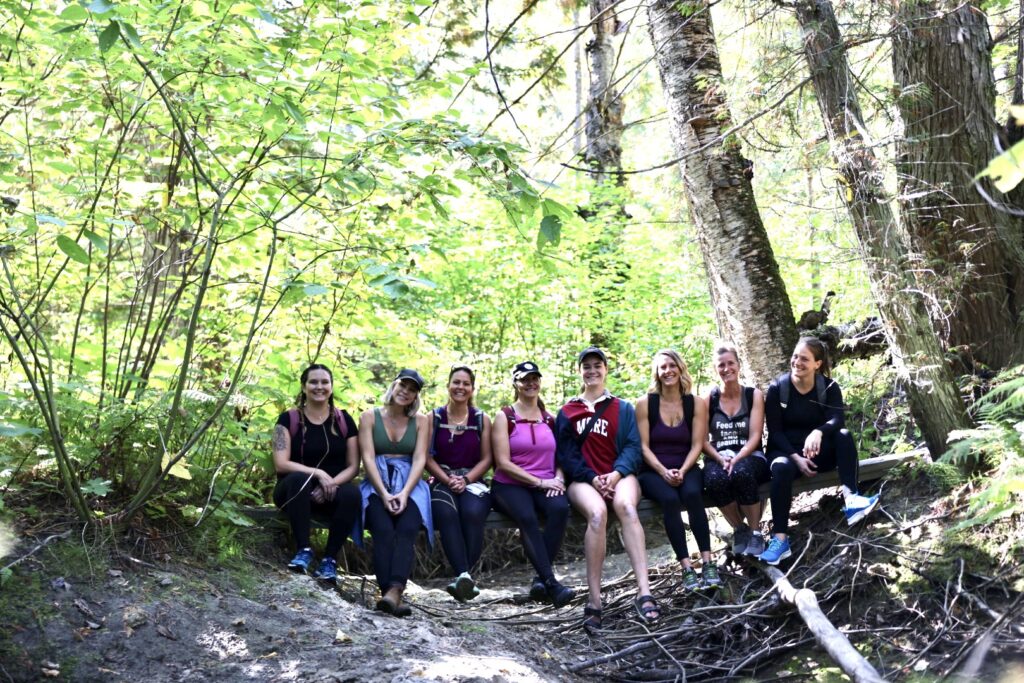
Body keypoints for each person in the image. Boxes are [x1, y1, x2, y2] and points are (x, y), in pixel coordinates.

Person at [556, 346, 659, 630]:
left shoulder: (622, 408)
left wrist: (615, 474)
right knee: (597, 514)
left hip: (619, 474)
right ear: (579, 371)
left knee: (626, 507)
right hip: (583, 480)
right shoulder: (567, 411)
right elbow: (567, 455)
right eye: (586, 366)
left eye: (597, 365)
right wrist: (592, 478)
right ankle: (594, 600)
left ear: (605, 369)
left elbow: (633, 446)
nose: (592, 371)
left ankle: (644, 592)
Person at [759, 337, 881, 565]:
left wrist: (818, 432)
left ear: (817, 363)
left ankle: (852, 500)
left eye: (804, 359)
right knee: (781, 468)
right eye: (795, 356)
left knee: (843, 436)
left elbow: (837, 419)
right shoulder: (778, 389)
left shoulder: (829, 387)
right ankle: (780, 539)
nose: (797, 362)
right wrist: (796, 458)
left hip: (817, 453)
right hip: (787, 453)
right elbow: (775, 432)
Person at [490, 361, 574, 608]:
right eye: (524, 379)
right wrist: (539, 482)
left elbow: (561, 456)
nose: (530, 383)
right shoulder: (505, 416)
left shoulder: (550, 418)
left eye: (534, 378)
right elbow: (503, 463)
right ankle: (552, 584)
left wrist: (559, 478)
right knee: (527, 517)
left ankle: (540, 580)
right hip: (510, 484)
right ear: (515, 383)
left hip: (546, 481)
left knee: (560, 509)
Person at [636, 349, 719, 591]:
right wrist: (663, 471)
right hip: (653, 470)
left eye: (672, 365)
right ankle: (686, 567)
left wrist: (682, 469)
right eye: (663, 367)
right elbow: (642, 446)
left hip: (687, 465)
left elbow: (697, 444)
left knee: (692, 494)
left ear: (681, 368)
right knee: (670, 499)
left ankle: (708, 562)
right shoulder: (645, 404)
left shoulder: (695, 403)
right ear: (657, 373)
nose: (668, 371)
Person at [271, 364, 361, 584]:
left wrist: (330, 484)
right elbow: (281, 464)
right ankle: (303, 550)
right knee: (299, 480)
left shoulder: (344, 420)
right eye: (313, 382)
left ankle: (329, 560)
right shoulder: (287, 419)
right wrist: (318, 474)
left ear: (331, 387)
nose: (319, 387)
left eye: (324, 382)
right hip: (293, 492)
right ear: (304, 387)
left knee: (352, 494)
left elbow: (353, 466)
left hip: (330, 492)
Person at [358, 369, 433, 617]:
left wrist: (404, 493)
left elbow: (420, 458)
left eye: (412, 390)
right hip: (376, 482)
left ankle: (393, 592)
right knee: (382, 529)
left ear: (415, 396)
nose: (405, 392)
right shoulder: (369, 417)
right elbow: (368, 457)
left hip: (410, 484)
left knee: (407, 529)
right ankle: (391, 594)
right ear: (394, 385)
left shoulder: (421, 421)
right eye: (403, 386)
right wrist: (383, 493)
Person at [425, 365, 493, 602]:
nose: (460, 387)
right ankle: (464, 576)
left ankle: (464, 577)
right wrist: (448, 480)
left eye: (466, 383)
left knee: (473, 512)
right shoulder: (433, 418)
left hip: (472, 481)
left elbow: (487, 459)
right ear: (448, 385)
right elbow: (426, 457)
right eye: (456, 382)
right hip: (441, 480)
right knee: (446, 512)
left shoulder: (481, 419)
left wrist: (465, 479)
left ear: (472, 388)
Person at [701, 342, 769, 558]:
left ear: (738, 365)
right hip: (718, 456)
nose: (726, 368)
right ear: (715, 369)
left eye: (731, 363)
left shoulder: (753, 395)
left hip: (750, 454)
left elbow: (756, 436)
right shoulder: (708, 399)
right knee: (714, 480)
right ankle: (740, 529)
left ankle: (756, 532)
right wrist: (721, 459)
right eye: (721, 365)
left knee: (742, 472)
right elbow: (701, 440)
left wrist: (737, 458)